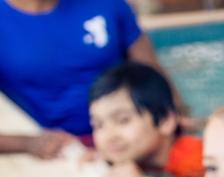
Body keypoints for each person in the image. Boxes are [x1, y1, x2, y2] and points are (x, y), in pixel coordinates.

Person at [0, 0, 187, 158]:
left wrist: (180, 119)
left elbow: (153, 73)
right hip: (64, 150)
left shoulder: (108, 4)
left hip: (136, 139)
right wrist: (27, 143)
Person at [89, 61, 202, 177]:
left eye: (123, 120)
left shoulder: (195, 158)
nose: (109, 136)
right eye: (98, 125)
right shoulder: (137, 155)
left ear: (164, 120)